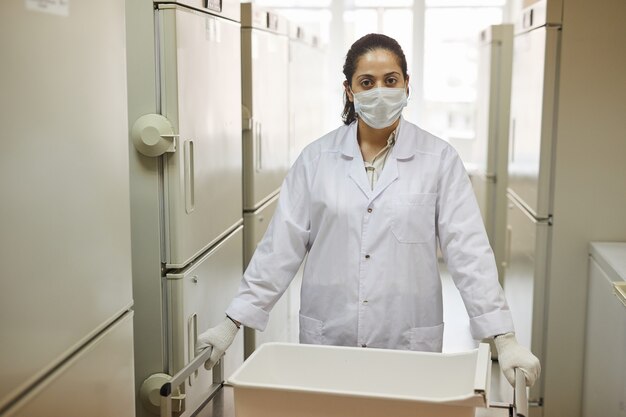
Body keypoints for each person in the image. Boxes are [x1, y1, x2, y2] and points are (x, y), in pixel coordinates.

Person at [197, 33, 540, 387]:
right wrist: (232, 322)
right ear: (349, 90)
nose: (380, 91)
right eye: (367, 82)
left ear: (407, 85)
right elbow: (279, 249)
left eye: (390, 80)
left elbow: (468, 250)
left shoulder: (439, 160)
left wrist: (504, 337)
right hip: (330, 335)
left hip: (406, 339)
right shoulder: (316, 160)